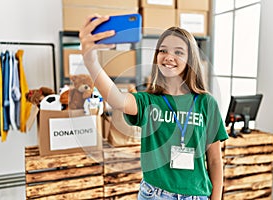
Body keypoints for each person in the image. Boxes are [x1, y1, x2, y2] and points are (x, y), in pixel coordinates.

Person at [79, 14, 228, 200]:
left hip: (196, 196)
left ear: (191, 59)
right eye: (163, 50)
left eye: (179, 52)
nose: (169, 57)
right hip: (154, 195)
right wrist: (90, 61)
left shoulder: (207, 103)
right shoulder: (148, 101)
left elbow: (215, 161)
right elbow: (116, 99)